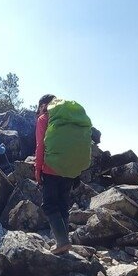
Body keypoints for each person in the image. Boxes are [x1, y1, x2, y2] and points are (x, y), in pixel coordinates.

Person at [35, 94, 92, 255]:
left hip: (51, 168)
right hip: (71, 170)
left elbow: (40, 147)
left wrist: (37, 170)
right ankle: (64, 242)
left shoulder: (44, 119)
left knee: (49, 205)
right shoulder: (71, 120)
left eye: (40, 106)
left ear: (44, 105)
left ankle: (62, 242)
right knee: (62, 204)